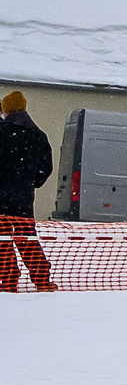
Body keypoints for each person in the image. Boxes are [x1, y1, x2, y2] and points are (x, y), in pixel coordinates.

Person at [0, 89, 57, 293]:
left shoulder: (2, 132)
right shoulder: (38, 135)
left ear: (6, 111)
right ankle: (42, 279)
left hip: (1, 197)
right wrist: (30, 183)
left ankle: (8, 280)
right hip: (23, 199)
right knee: (27, 238)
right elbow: (46, 168)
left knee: (2, 241)